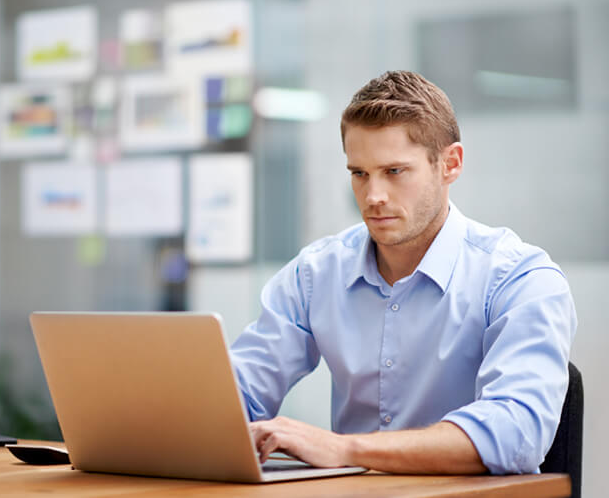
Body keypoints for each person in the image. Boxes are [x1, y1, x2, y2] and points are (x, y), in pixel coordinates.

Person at [230, 70, 577, 475]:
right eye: (359, 173)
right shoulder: (315, 274)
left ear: (450, 163)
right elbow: (234, 396)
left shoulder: (521, 278)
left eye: (394, 172)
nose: (372, 196)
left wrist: (345, 449)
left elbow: (516, 434)